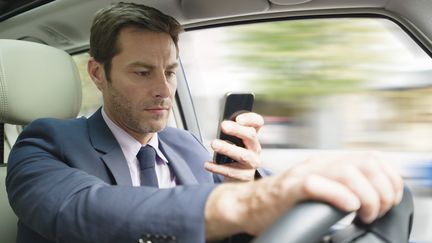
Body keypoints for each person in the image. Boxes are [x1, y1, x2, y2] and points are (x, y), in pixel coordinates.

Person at [6, 2, 403, 243]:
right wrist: (251, 202)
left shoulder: (189, 145)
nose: (163, 90)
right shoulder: (43, 143)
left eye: (171, 71)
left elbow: (246, 222)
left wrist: (247, 184)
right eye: (142, 72)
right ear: (97, 73)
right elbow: (81, 212)